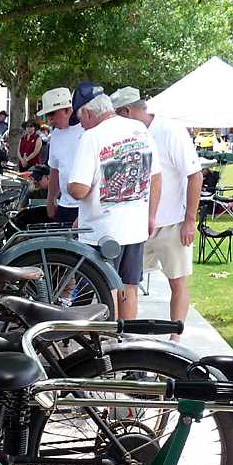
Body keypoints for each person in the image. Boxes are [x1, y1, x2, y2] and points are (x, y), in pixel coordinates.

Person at [111, 87, 202, 339]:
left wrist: (190, 221)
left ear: (127, 111)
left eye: (118, 115)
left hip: (172, 223)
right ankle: (127, 336)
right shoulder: (128, 134)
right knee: (126, 283)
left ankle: (176, 338)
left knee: (177, 281)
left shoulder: (170, 131)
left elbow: (195, 176)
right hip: (136, 226)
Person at [67, 91, 161, 321]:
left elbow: (79, 189)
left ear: (88, 113)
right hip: (135, 227)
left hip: (102, 232)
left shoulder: (92, 137)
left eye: (81, 121)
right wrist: (151, 217)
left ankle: (112, 345)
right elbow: (156, 176)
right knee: (129, 287)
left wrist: (71, 188)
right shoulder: (140, 129)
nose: (81, 126)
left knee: (105, 289)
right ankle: (127, 340)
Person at [41, 86, 83, 226]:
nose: (50, 119)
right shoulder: (56, 135)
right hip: (65, 204)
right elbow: (55, 170)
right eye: (47, 115)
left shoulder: (86, 130)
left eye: (52, 114)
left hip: (86, 205)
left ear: (68, 110)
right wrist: (50, 199)